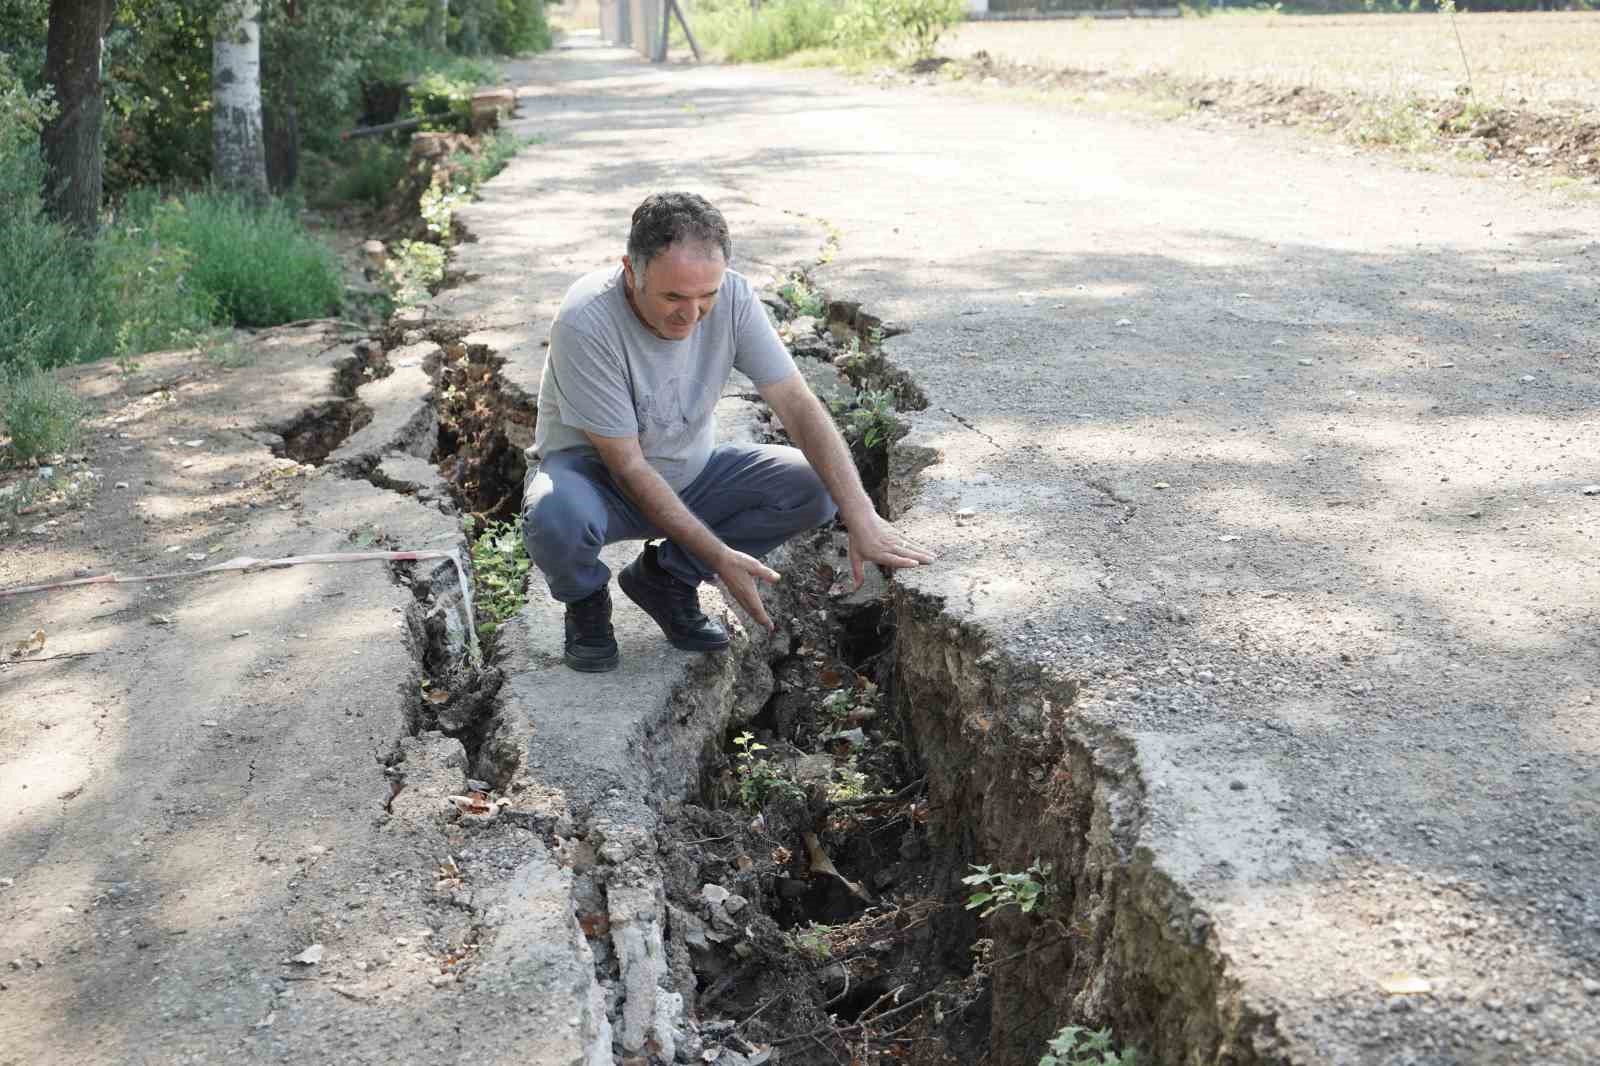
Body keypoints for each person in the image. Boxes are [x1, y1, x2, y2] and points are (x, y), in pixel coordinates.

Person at [521, 191, 935, 672]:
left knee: (818, 486)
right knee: (553, 514)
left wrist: (860, 512)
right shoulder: (587, 319)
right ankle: (586, 600)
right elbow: (629, 466)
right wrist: (718, 555)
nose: (692, 315)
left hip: (690, 474)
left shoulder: (734, 296)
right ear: (630, 273)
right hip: (598, 485)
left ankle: (667, 579)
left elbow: (798, 405)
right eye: (673, 296)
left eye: (706, 296)